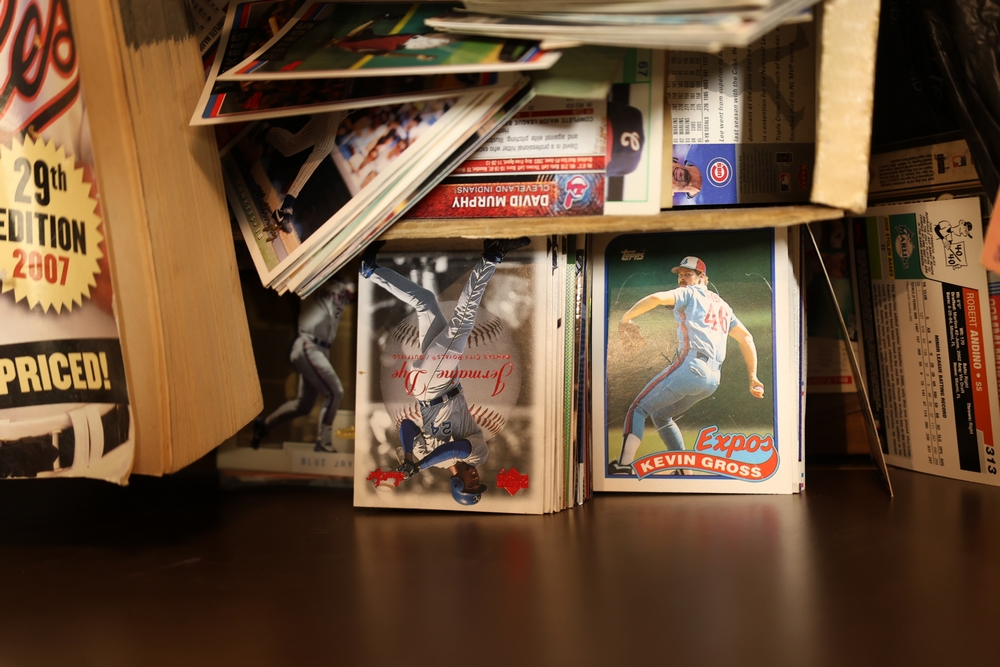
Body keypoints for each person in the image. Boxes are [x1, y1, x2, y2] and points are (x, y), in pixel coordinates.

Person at [360, 236, 530, 505]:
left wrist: (409, 455)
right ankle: (370, 270)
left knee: (463, 319)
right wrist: (419, 465)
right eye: (477, 484)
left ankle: (492, 256)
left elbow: (406, 425)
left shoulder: (430, 459)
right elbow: (454, 448)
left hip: (431, 385)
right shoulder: (478, 456)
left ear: (457, 483)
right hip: (445, 381)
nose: (475, 479)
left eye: (470, 485)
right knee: (425, 302)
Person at [609, 256, 765, 475]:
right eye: (680, 275)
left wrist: (626, 318)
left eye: (688, 274)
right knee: (660, 415)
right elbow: (746, 337)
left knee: (638, 408)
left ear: (702, 277)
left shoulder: (690, 292)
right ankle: (683, 469)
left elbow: (656, 298)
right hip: (713, 379)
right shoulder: (723, 305)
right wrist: (753, 376)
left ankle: (624, 465)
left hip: (692, 367)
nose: (682, 278)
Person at [251, 276, 356, 452]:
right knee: (335, 392)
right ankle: (323, 442)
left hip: (322, 348)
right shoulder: (314, 276)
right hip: (308, 344)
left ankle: (264, 425)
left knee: (303, 405)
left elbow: (353, 291)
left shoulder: (345, 283)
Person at [253, 112, 342, 236]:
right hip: (339, 105)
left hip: (344, 112)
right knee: (324, 148)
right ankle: (285, 207)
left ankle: (263, 130)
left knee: (291, 146)